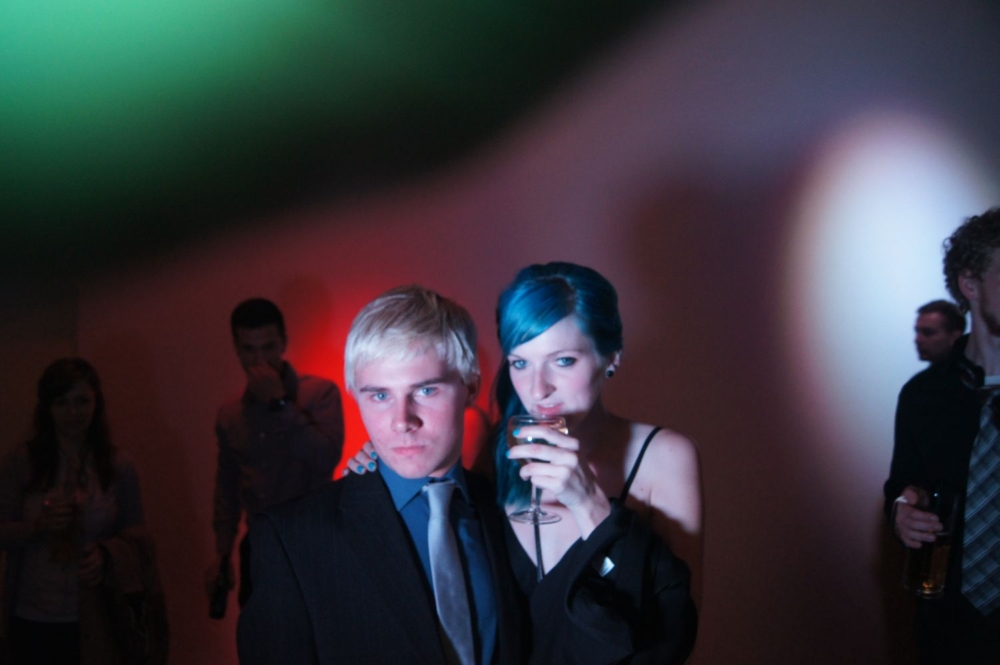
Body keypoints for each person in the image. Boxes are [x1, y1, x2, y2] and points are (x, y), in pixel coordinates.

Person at [351, 263, 700, 663]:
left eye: (563, 361)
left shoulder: (666, 457)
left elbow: (676, 634)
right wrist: (384, 462)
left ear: (610, 357)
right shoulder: (500, 452)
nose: (538, 389)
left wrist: (588, 504)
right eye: (520, 363)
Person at [236, 286, 526, 664]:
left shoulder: (510, 511)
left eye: (426, 390)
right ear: (356, 395)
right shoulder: (292, 540)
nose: (402, 421)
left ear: (470, 386)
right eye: (380, 396)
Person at [885, 208, 1000, 664]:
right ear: (970, 284)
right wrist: (901, 511)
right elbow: (902, 485)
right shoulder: (924, 395)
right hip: (950, 629)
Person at [0, 358, 166, 664]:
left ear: (96, 403)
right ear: (47, 408)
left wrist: (106, 553)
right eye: (62, 403)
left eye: (82, 401)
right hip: (33, 611)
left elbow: (138, 535)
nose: (73, 412)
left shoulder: (118, 465)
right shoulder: (21, 462)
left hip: (96, 611)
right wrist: (37, 527)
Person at [208, 297, 345, 610]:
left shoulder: (320, 394)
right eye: (249, 350)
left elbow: (326, 458)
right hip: (260, 545)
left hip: (314, 541)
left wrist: (280, 403)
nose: (260, 360)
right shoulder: (230, 414)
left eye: (268, 347)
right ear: (237, 349)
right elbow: (227, 487)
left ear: (283, 343)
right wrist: (222, 554)